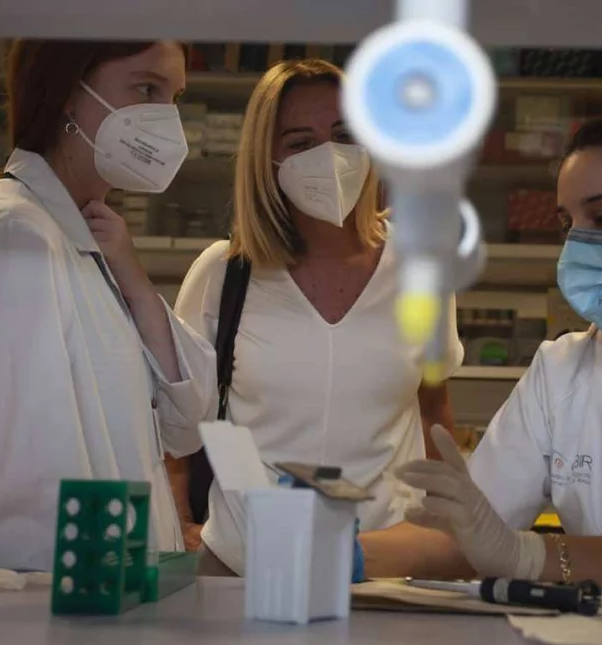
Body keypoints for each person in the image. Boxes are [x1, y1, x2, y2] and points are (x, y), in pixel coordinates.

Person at [359, 114, 602, 601]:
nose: (578, 242)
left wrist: (528, 556)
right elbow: (465, 536)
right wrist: (334, 555)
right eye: (569, 223)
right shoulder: (561, 369)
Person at [0, 40, 217, 571]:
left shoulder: (82, 239)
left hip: (105, 619)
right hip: (50, 630)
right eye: (146, 88)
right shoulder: (11, 235)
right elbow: (19, 508)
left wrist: (134, 279)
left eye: (174, 96)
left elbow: (188, 419)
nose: (165, 120)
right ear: (66, 92)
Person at [172, 59, 463, 575]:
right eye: (300, 142)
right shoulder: (224, 273)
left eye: (343, 134)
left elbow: (433, 409)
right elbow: (179, 422)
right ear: (267, 159)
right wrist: (180, 523)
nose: (328, 157)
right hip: (242, 564)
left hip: (384, 564)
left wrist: (447, 531)